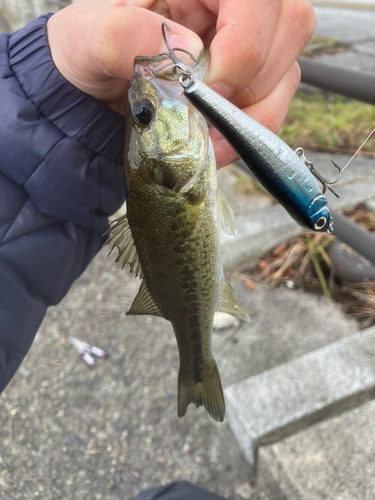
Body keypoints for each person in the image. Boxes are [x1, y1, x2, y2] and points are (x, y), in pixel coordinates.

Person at [0, 0, 315, 399]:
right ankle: (199, 365)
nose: (145, 101)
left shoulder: (173, 175)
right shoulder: (172, 174)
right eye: (145, 113)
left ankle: (195, 363)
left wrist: (57, 98)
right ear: (161, 170)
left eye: (141, 112)